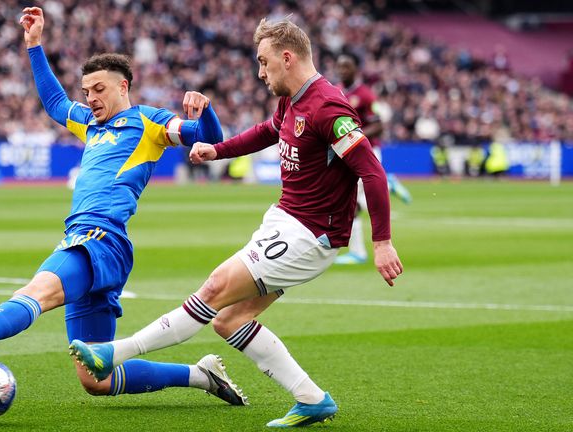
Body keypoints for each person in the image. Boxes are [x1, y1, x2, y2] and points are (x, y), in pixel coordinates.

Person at [70, 17, 403, 428]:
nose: (260, 73)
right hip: (285, 220)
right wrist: (218, 151)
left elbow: (372, 171)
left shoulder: (328, 107)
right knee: (230, 320)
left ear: (287, 57)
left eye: (264, 63)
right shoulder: (293, 99)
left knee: (214, 289)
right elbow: (268, 131)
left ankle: (114, 353)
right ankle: (312, 399)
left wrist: (382, 241)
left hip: (310, 235)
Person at [0, 6, 247, 406]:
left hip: (99, 237)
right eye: (87, 91)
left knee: (39, 290)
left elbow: (209, 139)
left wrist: (206, 110)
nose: (90, 98)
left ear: (124, 86)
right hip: (96, 244)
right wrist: (35, 45)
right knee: (96, 378)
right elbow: (56, 103)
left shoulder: (150, 122)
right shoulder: (90, 123)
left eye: (99, 90)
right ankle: (200, 375)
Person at [334, 52, 411, 265]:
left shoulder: (366, 95)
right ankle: (388, 184)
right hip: (346, 152)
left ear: (356, 69)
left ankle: (358, 252)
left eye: (346, 66)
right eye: (340, 66)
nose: (342, 70)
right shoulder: (335, 91)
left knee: (351, 201)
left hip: (365, 151)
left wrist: (354, 137)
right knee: (357, 200)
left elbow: (378, 126)